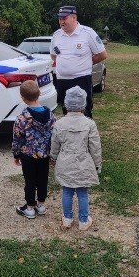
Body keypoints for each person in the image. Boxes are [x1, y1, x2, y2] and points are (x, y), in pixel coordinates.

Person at [51, 86, 102, 231]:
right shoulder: (89, 124)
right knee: (82, 192)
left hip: (65, 163)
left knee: (67, 191)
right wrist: (97, 164)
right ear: (83, 105)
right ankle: (83, 221)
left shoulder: (59, 124)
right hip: (83, 163)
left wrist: (53, 157)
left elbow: (54, 144)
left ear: (66, 104)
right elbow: (95, 147)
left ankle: (67, 219)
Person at [50, 4, 107, 118]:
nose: (61, 21)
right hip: (62, 80)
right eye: (60, 19)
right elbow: (53, 56)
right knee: (66, 110)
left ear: (74, 17)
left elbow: (102, 54)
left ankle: (86, 129)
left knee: (84, 111)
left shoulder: (87, 33)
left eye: (64, 18)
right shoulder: (56, 35)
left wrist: (85, 63)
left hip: (82, 79)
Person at [12, 80, 56, 219]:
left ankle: (30, 208)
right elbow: (55, 134)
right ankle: (41, 205)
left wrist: (16, 154)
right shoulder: (50, 115)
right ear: (39, 93)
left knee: (29, 181)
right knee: (43, 180)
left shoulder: (22, 118)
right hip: (44, 154)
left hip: (28, 155)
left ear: (22, 97)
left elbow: (17, 137)